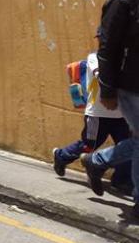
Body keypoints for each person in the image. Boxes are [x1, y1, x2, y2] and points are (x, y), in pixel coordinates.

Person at [81, 0, 139, 220]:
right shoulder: (122, 0)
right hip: (129, 85)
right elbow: (107, 48)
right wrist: (107, 88)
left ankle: (96, 162)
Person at [52, 51, 132, 192]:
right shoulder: (95, 58)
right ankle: (61, 156)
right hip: (98, 114)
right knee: (88, 145)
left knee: (127, 146)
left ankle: (121, 180)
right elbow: (103, 77)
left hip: (122, 115)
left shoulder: (127, 59)